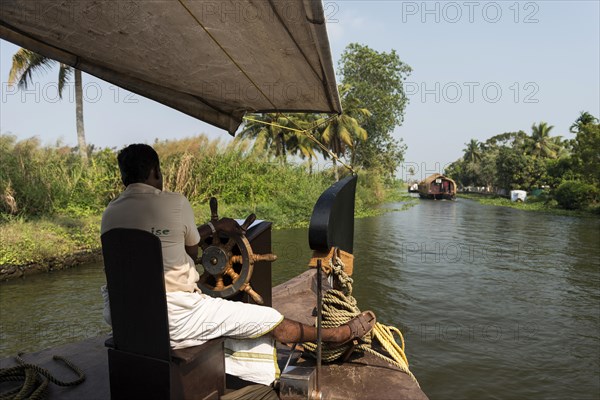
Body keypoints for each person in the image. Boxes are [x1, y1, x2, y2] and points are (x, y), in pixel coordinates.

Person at [101, 144, 376, 386]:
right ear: (155, 172)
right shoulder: (174, 202)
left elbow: (157, 247)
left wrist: (208, 227)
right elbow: (192, 247)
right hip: (173, 319)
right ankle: (337, 334)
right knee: (268, 318)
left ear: (124, 176)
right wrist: (214, 227)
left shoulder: (109, 212)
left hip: (123, 317)